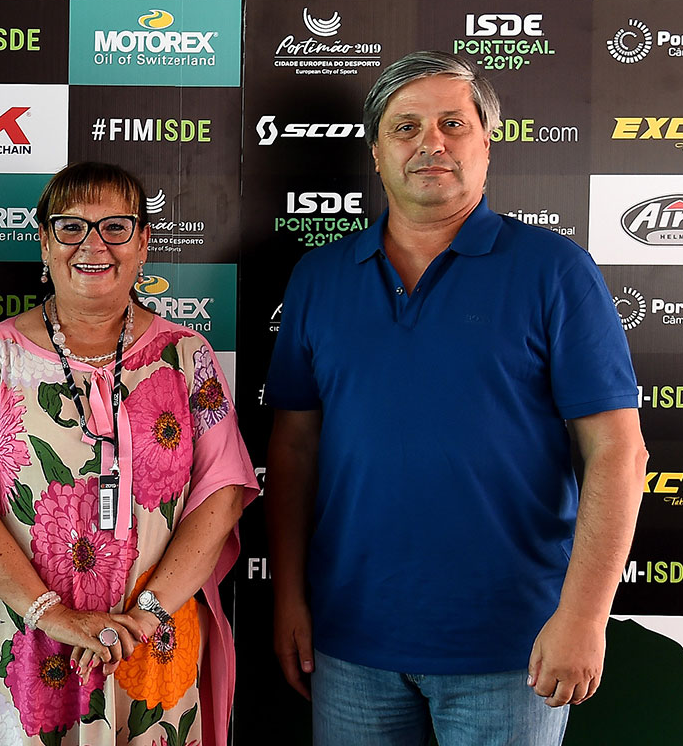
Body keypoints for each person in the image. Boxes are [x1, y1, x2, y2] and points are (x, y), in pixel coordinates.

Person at [266, 51, 647, 745]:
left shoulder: (555, 271)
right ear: (377, 153)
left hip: (514, 648)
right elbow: (293, 448)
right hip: (350, 643)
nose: (430, 143)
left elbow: (617, 451)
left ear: (485, 141)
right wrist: (288, 595)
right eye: (405, 127)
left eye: (452, 123)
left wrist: (585, 617)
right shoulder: (319, 278)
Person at [0, 161, 257, 746]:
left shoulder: (187, 355)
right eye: (71, 227)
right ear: (45, 241)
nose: (93, 245)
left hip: (150, 640)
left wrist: (147, 611)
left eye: (115, 227)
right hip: (21, 638)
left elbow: (222, 495)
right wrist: (54, 615)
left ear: (144, 243)